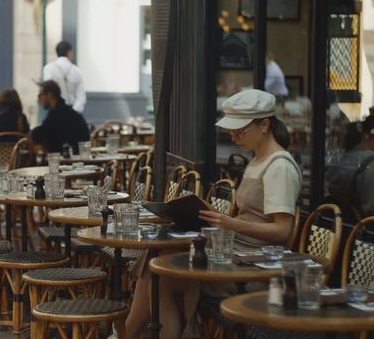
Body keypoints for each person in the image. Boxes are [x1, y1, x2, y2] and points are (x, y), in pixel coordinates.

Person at [118, 89, 302, 339]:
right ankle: (127, 334)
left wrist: (230, 223)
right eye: (231, 130)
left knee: (161, 276)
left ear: (265, 125)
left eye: (240, 130)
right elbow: (251, 217)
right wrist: (211, 215)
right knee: (156, 264)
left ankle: (126, 334)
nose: (234, 136)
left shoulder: (279, 166)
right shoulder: (258, 160)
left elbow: (283, 231)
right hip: (235, 250)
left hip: (257, 266)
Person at [326, 115, 374, 216]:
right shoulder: (371, 163)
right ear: (369, 137)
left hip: (338, 222)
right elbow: (370, 209)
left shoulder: (338, 162)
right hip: (364, 226)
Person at [30, 80, 90, 154]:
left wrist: (31, 132)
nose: (39, 99)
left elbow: (39, 134)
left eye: (40, 95)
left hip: (66, 159)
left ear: (50, 95)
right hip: (78, 156)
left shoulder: (57, 113)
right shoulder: (67, 111)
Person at [43, 41, 87, 113]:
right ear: (69, 52)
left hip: (55, 111)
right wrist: (74, 112)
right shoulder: (77, 70)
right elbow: (81, 96)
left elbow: (48, 92)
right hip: (73, 109)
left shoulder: (48, 68)